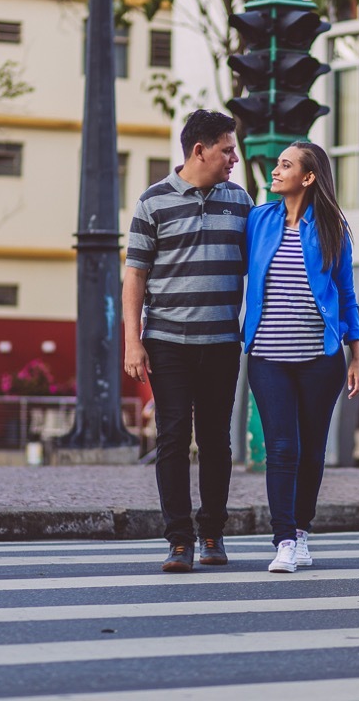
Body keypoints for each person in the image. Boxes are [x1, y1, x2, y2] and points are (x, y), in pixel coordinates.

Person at [122, 109, 252, 573]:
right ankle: (179, 540)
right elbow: (134, 276)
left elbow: (257, 268)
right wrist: (132, 342)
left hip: (221, 341)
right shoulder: (153, 202)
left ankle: (212, 534)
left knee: (217, 439)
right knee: (174, 437)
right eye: (227, 149)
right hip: (167, 342)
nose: (234, 157)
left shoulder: (241, 201)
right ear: (200, 150)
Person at [244, 142, 359, 573]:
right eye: (277, 164)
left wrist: (356, 355)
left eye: (285, 165)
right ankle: (283, 541)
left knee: (312, 450)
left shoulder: (332, 228)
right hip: (267, 357)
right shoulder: (258, 220)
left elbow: (347, 296)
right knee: (281, 448)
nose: (275, 171)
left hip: (321, 358)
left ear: (308, 177)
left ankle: (301, 531)